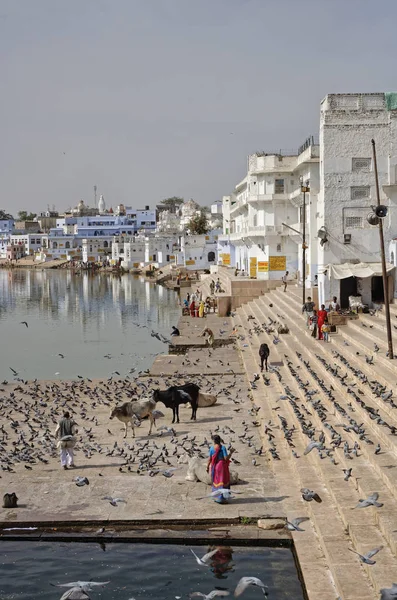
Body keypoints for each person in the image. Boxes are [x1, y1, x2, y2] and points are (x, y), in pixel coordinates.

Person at [207, 435, 231, 504]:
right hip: (222, 467)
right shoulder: (223, 448)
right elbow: (226, 458)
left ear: (214, 441)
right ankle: (223, 498)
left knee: (216, 482)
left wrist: (207, 467)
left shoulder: (212, 448)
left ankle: (217, 498)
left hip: (215, 467)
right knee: (223, 482)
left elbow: (210, 459)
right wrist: (231, 453)